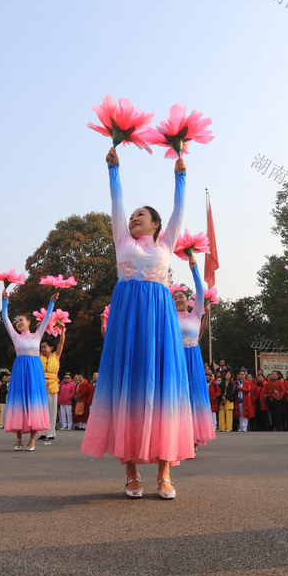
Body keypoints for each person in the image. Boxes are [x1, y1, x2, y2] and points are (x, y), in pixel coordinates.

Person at [81, 146, 194, 500]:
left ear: (156, 225)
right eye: (132, 216)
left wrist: (180, 177)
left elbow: (179, 209)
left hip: (160, 321)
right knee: (127, 386)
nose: (133, 218)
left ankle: (164, 473)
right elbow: (116, 205)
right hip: (128, 319)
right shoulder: (122, 242)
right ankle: (130, 471)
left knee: (161, 386)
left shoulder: (166, 244)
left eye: (141, 215)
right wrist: (114, 172)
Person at [1, 289, 57, 451]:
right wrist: (5, 302)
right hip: (19, 371)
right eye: (17, 321)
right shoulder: (16, 336)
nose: (18, 322)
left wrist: (51, 302)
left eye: (21, 320)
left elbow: (47, 318)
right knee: (18, 402)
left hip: (34, 372)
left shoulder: (37, 335)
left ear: (29, 322)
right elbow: (5, 318)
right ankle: (18, 439)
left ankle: (32, 439)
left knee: (33, 402)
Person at [172, 256, 215, 447]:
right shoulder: (170, 317)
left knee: (194, 396)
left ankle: (193, 439)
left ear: (189, 301)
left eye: (181, 296)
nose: (178, 299)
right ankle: (177, 437)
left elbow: (200, 290)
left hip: (193, 358)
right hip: (176, 358)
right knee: (177, 397)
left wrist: (194, 270)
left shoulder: (196, 314)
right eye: (174, 297)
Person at [39, 330, 66, 441]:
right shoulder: (38, 356)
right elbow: (35, 342)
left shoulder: (56, 356)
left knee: (51, 409)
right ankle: (42, 432)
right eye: (42, 347)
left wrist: (63, 331)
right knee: (41, 409)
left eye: (45, 347)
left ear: (51, 348)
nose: (43, 349)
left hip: (52, 385)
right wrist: (39, 329)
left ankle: (51, 433)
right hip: (40, 384)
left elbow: (61, 343)